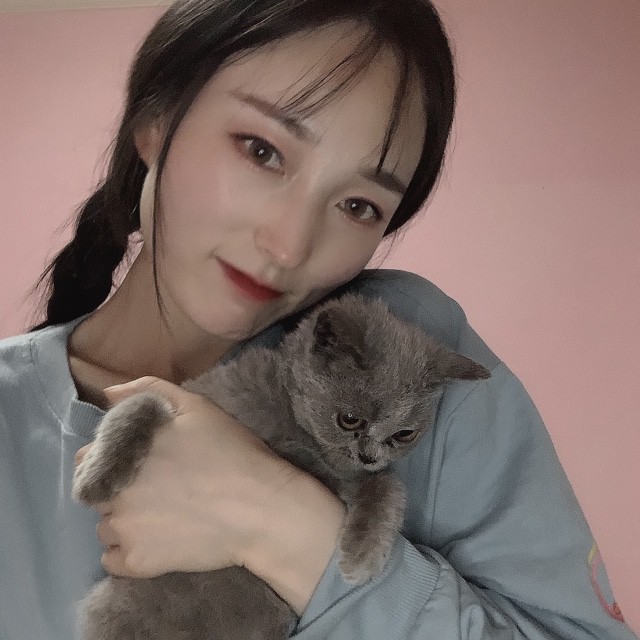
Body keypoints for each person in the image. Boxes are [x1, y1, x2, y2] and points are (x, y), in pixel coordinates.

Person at [0, 1, 636, 639]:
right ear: (156, 121)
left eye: (358, 205)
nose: (289, 245)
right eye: (262, 151)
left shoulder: (413, 360)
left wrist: (284, 528)